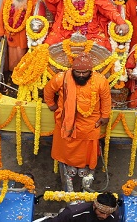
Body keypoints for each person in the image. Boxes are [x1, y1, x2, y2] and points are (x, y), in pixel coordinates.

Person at [44, 52, 112, 192]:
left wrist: (105, 116)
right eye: (78, 72)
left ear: (90, 71)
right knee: (67, 145)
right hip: (67, 121)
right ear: (72, 70)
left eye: (84, 72)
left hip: (90, 122)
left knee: (87, 146)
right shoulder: (62, 78)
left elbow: (106, 99)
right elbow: (48, 90)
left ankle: (84, 166)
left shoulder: (100, 81)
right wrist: (51, 104)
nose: (81, 75)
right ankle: (70, 166)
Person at [0, 0, 38, 71]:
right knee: (8, 55)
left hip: (23, 36)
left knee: (21, 55)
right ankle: (10, 73)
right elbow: (0, 17)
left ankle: (21, 73)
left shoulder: (34, 2)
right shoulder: (6, 0)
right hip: (9, 33)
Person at [48, 191, 122, 221]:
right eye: (101, 212)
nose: (105, 216)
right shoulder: (72, 213)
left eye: (108, 214)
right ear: (94, 206)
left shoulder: (113, 216)